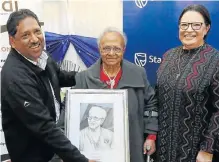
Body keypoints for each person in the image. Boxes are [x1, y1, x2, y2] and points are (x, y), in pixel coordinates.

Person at [1, 9, 95, 162]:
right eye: (25, 35)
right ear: (12, 41)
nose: (34, 39)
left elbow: (59, 77)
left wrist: (92, 76)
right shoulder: (16, 77)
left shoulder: (41, 56)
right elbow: (44, 127)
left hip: (51, 150)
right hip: (32, 155)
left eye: (37, 31)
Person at [75, 27, 158, 162]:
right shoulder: (83, 78)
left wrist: (151, 136)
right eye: (106, 48)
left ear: (124, 49)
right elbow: (71, 117)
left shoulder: (138, 73)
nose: (111, 53)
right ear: (99, 49)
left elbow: (151, 104)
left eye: (117, 48)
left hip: (133, 146)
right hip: (96, 154)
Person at [156, 4, 219, 162]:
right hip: (163, 148)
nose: (189, 29)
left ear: (206, 29)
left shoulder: (215, 60)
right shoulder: (168, 56)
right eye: (184, 25)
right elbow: (157, 99)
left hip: (196, 152)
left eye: (196, 25)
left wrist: (207, 149)